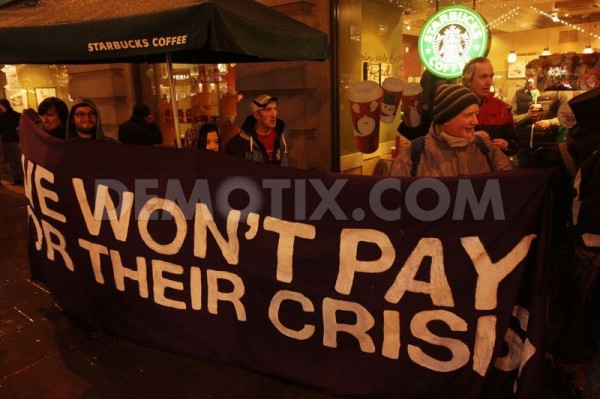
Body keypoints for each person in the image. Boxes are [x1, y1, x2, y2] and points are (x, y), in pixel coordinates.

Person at [390, 84, 514, 177]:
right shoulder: (413, 155)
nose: (475, 121)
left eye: (476, 114)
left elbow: (510, 183)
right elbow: (397, 199)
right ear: (445, 119)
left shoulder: (485, 148)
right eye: (468, 115)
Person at [510, 59, 569, 167]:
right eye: (526, 75)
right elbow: (510, 118)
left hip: (549, 149)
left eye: (531, 76)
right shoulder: (518, 94)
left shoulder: (558, 93)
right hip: (523, 149)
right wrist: (526, 116)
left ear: (543, 76)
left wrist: (550, 122)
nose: (528, 79)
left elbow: (568, 117)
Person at [462, 57, 519, 157]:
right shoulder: (454, 107)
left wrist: (506, 145)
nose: (489, 82)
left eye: (491, 76)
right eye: (483, 77)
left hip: (493, 169)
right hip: (463, 168)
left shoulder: (501, 107)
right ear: (468, 81)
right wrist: (472, 138)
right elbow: (443, 142)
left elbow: (515, 145)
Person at [226, 94, 288, 165]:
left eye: (275, 109)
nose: (273, 115)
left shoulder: (281, 137)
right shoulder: (240, 143)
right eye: (268, 110)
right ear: (257, 115)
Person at [0, 99, 24, 185]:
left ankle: (22, 178)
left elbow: (20, 128)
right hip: (6, 141)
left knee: (19, 160)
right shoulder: (1, 116)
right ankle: (16, 178)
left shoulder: (15, 115)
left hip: (15, 141)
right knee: (12, 161)